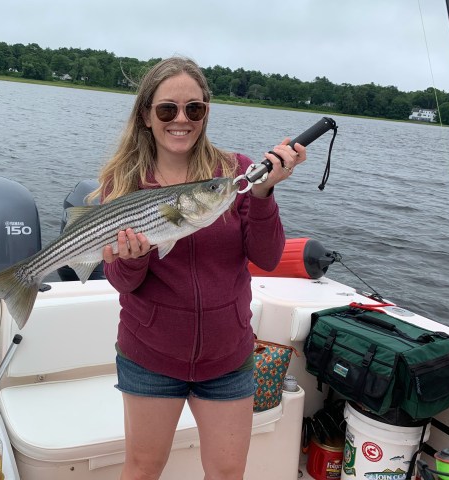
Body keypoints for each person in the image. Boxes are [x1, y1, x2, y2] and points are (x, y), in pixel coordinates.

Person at [90, 56, 307, 480]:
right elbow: (121, 281)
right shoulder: (123, 184)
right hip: (150, 356)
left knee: (227, 474)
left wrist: (263, 195)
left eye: (195, 108)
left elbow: (266, 257)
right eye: (167, 109)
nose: (181, 120)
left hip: (227, 357)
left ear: (206, 112)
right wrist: (133, 261)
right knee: (141, 468)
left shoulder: (235, 174)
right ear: (146, 115)